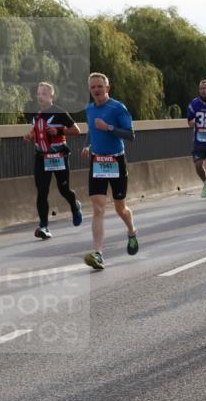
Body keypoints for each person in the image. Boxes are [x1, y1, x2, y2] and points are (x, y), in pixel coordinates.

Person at [81, 72, 138, 270]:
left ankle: (131, 230)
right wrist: (88, 145)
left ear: (107, 88)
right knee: (97, 207)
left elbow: (130, 135)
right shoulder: (89, 109)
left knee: (120, 208)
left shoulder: (117, 108)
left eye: (100, 86)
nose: (96, 90)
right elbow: (91, 129)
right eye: (93, 87)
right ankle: (98, 253)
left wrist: (109, 127)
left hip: (116, 161)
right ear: (90, 90)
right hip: (97, 161)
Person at [23, 81, 82, 239]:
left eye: (43, 94)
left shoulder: (60, 113)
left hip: (59, 156)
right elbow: (38, 130)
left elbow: (76, 130)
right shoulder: (37, 115)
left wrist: (59, 130)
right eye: (38, 93)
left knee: (64, 189)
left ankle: (75, 206)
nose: (40, 96)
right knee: (42, 192)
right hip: (41, 157)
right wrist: (30, 135)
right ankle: (44, 226)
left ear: (51, 96)